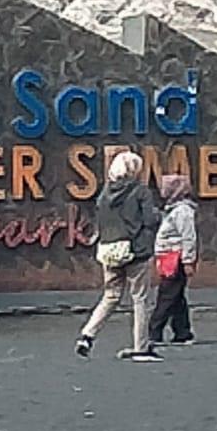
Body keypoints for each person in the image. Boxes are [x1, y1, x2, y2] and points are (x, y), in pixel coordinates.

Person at [75, 151, 162, 361]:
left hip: (109, 250)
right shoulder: (141, 192)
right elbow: (150, 219)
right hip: (136, 250)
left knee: (111, 295)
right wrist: (158, 216)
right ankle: (141, 347)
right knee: (140, 298)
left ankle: (87, 334)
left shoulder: (104, 194)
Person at [148, 174, 196, 347]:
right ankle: (183, 332)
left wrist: (188, 261)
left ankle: (154, 331)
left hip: (175, 258)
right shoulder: (173, 209)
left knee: (166, 295)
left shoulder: (182, 211)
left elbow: (188, 237)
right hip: (169, 256)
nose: (163, 190)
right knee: (176, 296)